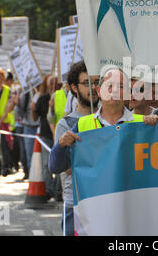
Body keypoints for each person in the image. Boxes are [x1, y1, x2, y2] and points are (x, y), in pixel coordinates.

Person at [49, 67, 158, 235]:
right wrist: (61, 146)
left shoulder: (143, 124)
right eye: (110, 85)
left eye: (121, 86)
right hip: (92, 212)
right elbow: (55, 167)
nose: (115, 90)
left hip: (131, 212)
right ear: (99, 91)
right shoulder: (81, 125)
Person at [50, 61, 99, 236]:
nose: (93, 88)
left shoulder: (107, 119)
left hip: (105, 198)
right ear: (74, 87)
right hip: (75, 202)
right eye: (87, 83)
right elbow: (66, 168)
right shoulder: (67, 124)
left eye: (96, 82)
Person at [33, 75, 56, 199]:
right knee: (46, 165)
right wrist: (33, 108)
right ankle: (50, 189)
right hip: (45, 135)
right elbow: (35, 117)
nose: (53, 84)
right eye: (50, 82)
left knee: (59, 165)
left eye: (55, 82)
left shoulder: (61, 96)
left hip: (58, 134)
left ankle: (57, 191)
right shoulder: (42, 99)